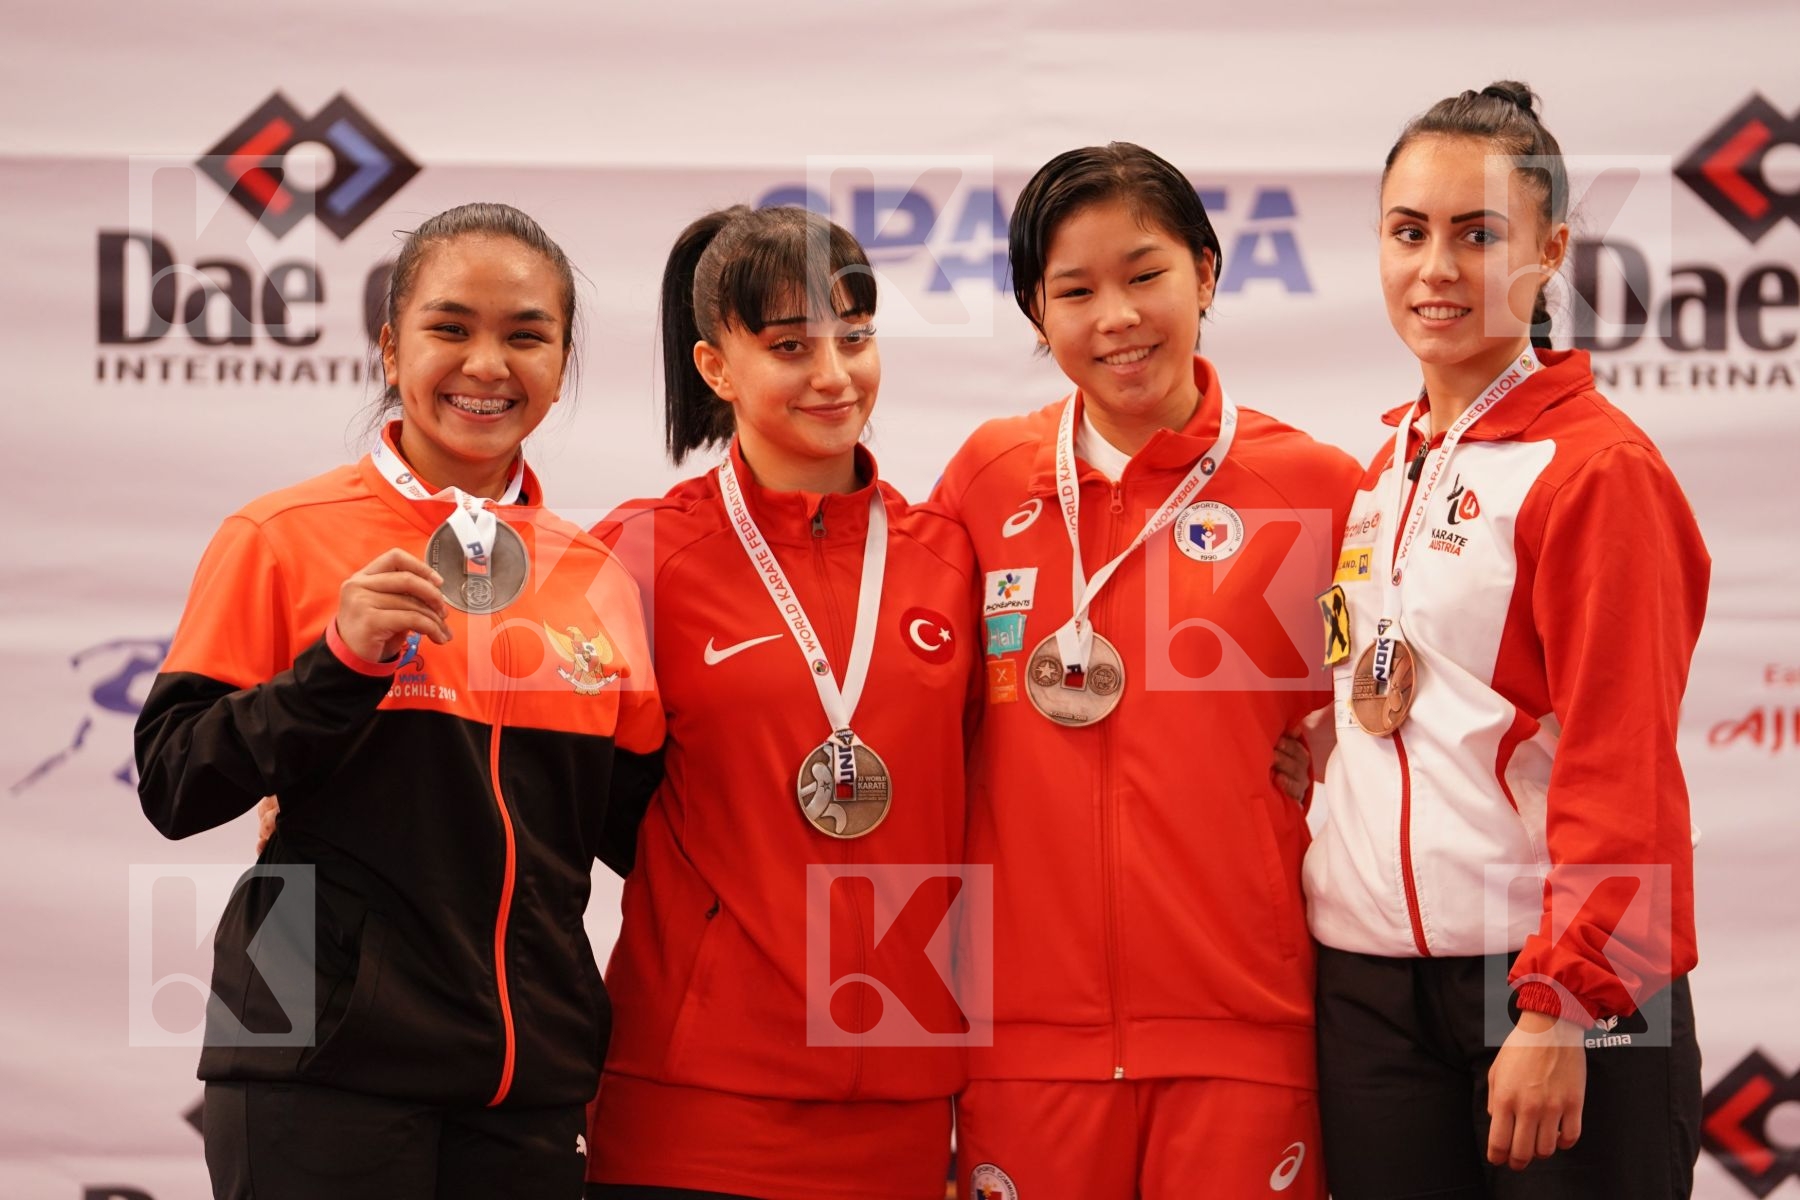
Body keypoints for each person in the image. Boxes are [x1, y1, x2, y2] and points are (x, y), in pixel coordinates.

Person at [135, 203, 665, 1200]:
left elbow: (651, 839)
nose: (487, 365)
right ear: (390, 344)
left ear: (562, 363)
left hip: (523, 1078)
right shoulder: (282, 535)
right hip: (310, 1054)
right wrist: (337, 663)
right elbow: (175, 783)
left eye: (525, 335)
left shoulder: (596, 578)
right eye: (451, 328)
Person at [931, 143, 1362, 1200]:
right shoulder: (985, 480)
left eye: (1144, 274)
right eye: (1074, 291)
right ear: (1038, 314)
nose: (1115, 316)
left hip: (1242, 1027)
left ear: (1206, 273)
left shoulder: (1316, 488)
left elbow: (1380, 730)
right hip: (1023, 1038)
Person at [1301, 83, 1709, 1199]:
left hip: (1547, 987)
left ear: (1551, 252)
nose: (1435, 268)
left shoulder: (1597, 470)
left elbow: (1620, 761)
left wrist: (1563, 1001)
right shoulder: (1387, 468)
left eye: (1478, 235)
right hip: (1372, 988)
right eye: (1408, 232)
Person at [582, 205, 979, 1200]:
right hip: (694, 1096)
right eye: (791, 346)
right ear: (716, 367)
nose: (836, 375)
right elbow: (540, 782)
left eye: (856, 337)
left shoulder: (951, 557)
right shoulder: (639, 554)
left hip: (905, 1089)